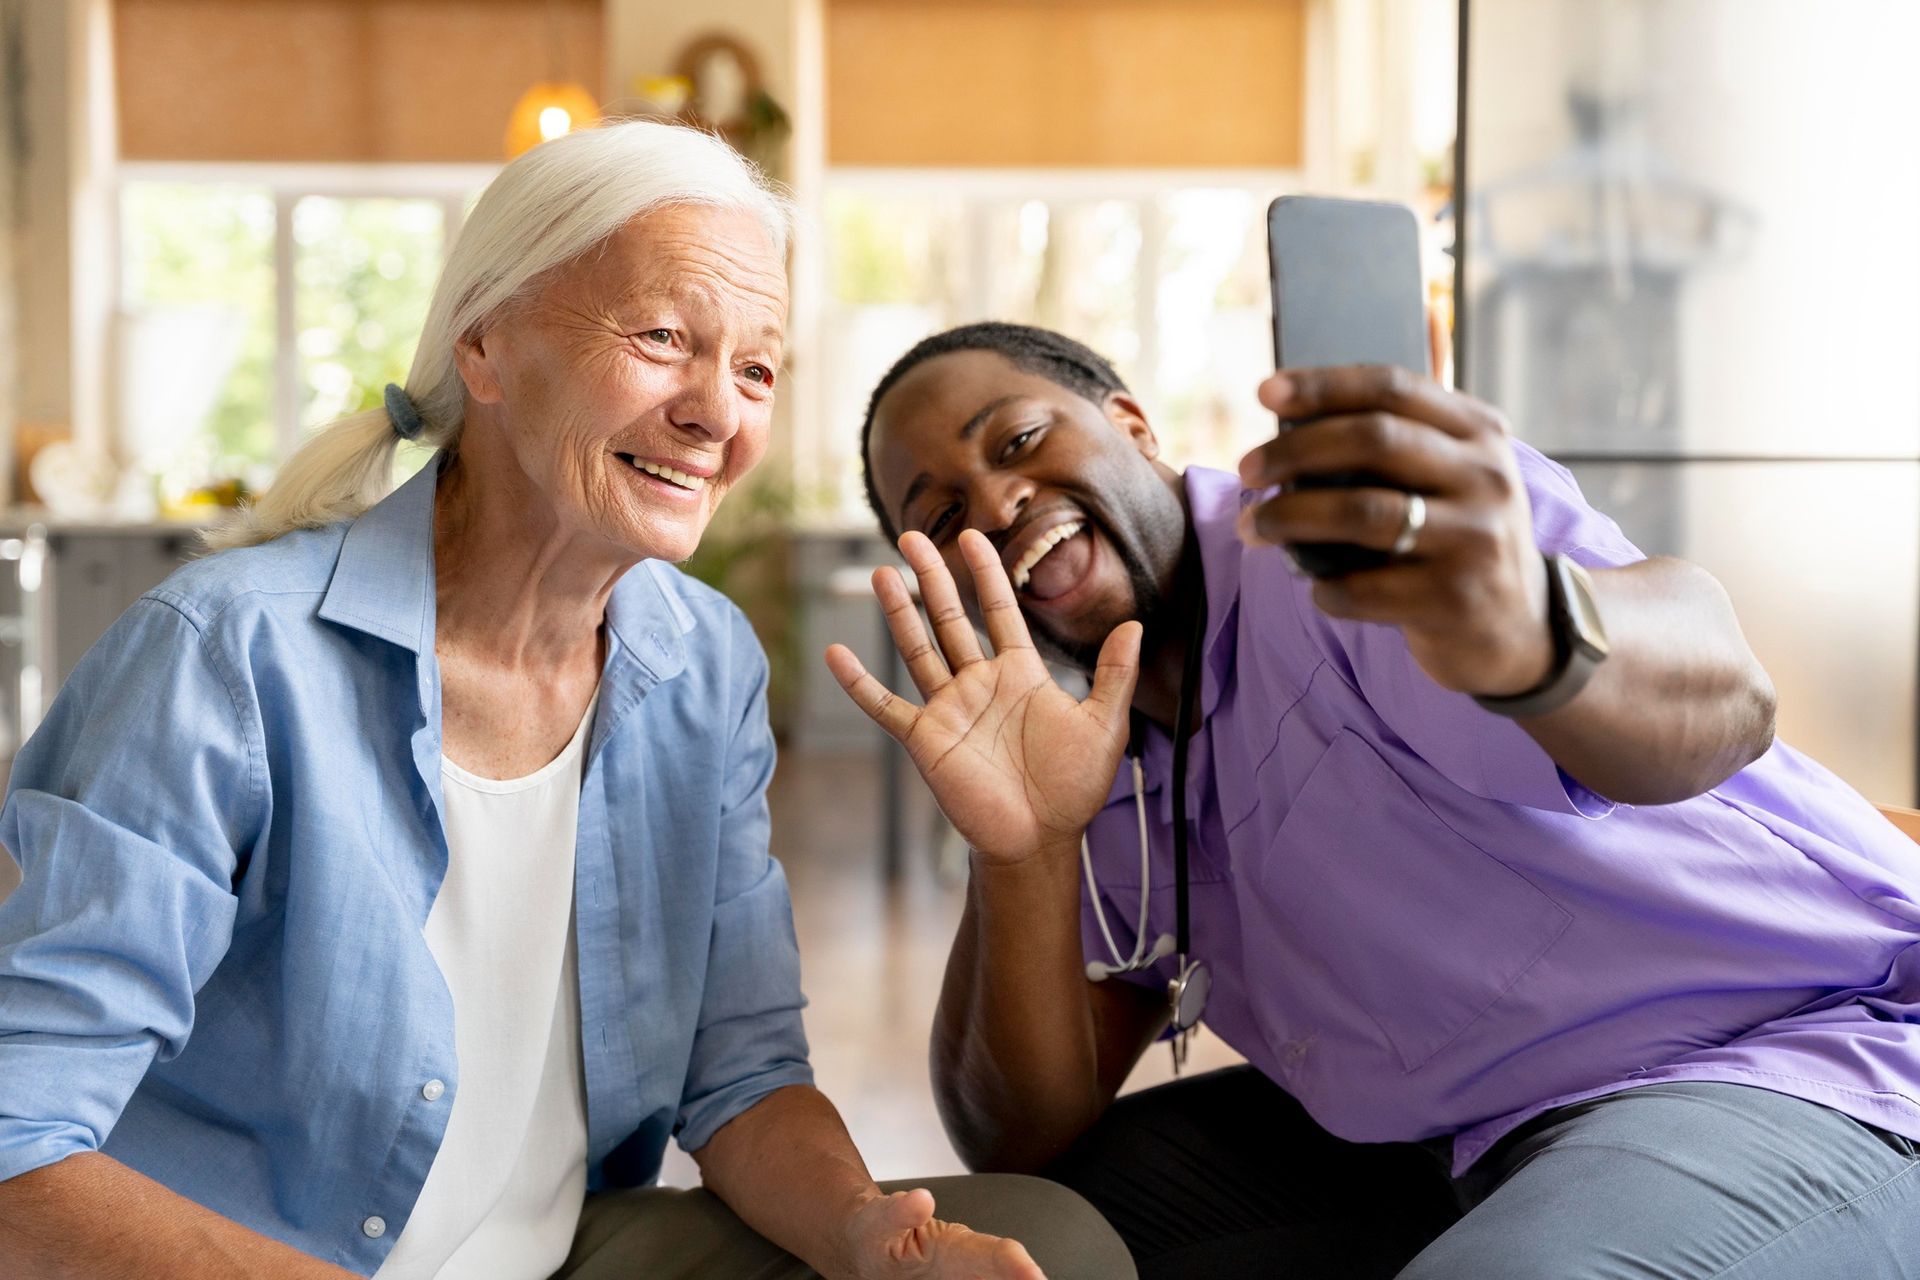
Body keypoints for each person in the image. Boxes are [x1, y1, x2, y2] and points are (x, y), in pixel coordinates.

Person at [0, 131, 1134, 1280]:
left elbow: (739, 1075)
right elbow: (16, 1145)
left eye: (756, 368)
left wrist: (866, 1235)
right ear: (484, 345)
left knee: (1058, 1245)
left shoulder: (704, 664)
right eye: (662, 340)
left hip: (563, 1254)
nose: (717, 415)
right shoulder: (226, 653)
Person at [832, 319, 1920, 1279]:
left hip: (1796, 1057)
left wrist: (1530, 624)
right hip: (1458, 1139)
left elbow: (1726, 693)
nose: (1001, 502)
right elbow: (1017, 1131)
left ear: (1132, 422)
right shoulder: (1093, 754)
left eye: (1018, 441)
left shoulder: (1342, 549)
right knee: (1026, 1239)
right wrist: (1025, 848)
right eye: (943, 511)